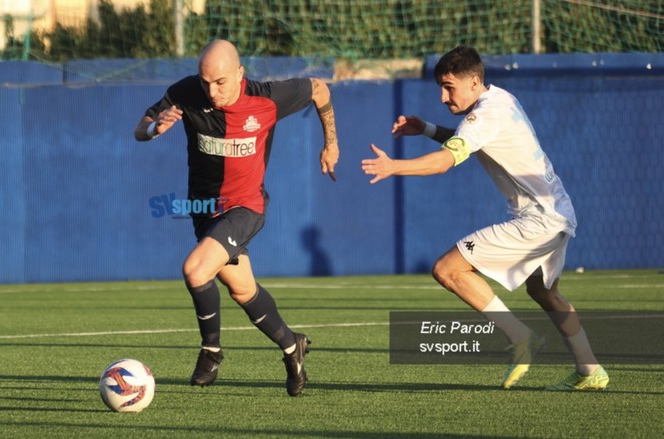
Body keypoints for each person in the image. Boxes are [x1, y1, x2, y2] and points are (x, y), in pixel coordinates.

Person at [361, 45, 608, 391]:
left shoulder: (485, 115)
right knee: (544, 291)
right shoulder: (499, 99)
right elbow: (470, 138)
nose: (443, 96)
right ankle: (590, 370)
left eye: (449, 87)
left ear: (474, 82)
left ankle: (521, 337)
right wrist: (429, 129)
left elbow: (448, 160)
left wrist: (393, 167)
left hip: (537, 219)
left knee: (447, 269)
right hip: (558, 212)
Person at [134, 39, 340, 396]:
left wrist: (331, 143)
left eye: (221, 82)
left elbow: (319, 90)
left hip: (246, 206)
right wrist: (154, 128)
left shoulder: (268, 98)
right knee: (242, 289)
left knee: (196, 270)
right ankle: (293, 347)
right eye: (205, 82)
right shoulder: (185, 92)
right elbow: (141, 128)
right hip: (204, 210)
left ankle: (211, 352)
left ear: (240, 74)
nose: (212, 91)